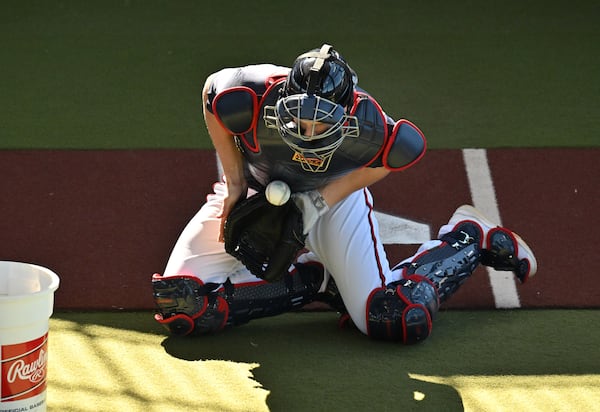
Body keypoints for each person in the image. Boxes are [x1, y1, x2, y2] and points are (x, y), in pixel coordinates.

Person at [152, 44, 537, 344]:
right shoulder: (246, 93)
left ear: (347, 112)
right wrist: (235, 184)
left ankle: (467, 237)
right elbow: (210, 95)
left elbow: (397, 154)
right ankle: (316, 281)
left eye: (319, 123)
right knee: (185, 305)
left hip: (332, 202)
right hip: (254, 191)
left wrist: (316, 203)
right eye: (300, 117)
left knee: (394, 316)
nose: (307, 131)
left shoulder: (372, 125)